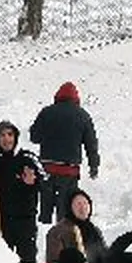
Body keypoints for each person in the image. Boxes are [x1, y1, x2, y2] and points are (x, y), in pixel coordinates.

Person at [29, 82, 100, 225]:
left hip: (47, 170)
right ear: (76, 98)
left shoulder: (47, 112)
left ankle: (44, 236)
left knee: (45, 210)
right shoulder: (83, 115)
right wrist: (94, 166)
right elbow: (91, 144)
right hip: (69, 172)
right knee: (66, 211)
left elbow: (34, 137)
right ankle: (63, 239)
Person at [0, 122, 45, 263]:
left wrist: (32, 182)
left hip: (25, 220)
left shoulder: (27, 158)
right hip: (2, 221)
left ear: (15, 137)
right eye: (2, 135)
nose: (6, 139)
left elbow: (44, 181)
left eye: (10, 135)